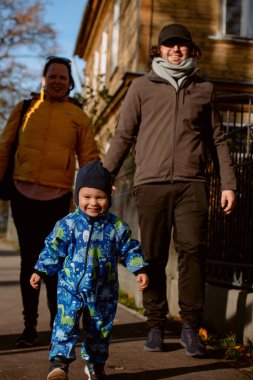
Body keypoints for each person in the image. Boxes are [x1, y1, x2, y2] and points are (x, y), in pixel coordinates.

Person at [103, 23, 237, 357]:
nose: (176, 50)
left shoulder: (204, 89)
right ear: (159, 50)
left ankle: (191, 326)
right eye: (169, 45)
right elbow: (123, 135)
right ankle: (155, 325)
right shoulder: (140, 87)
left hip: (192, 185)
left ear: (191, 50)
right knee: (152, 256)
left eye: (182, 46)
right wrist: (102, 178)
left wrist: (229, 183)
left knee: (192, 252)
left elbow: (218, 138)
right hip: (151, 185)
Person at [0, 56, 99, 348]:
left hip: (57, 199)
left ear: (70, 83)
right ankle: (29, 327)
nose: (57, 81)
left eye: (62, 77)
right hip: (23, 195)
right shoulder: (25, 108)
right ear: (43, 80)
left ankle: (60, 326)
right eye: (52, 76)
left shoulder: (78, 116)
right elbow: (5, 146)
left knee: (56, 265)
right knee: (29, 261)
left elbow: (89, 157)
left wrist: (95, 194)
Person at [30, 160, 149, 380]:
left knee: (100, 330)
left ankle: (95, 365)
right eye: (87, 197)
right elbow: (53, 248)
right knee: (65, 324)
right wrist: (41, 270)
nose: (93, 203)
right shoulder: (67, 225)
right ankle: (59, 364)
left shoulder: (116, 227)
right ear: (77, 196)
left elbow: (129, 249)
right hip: (70, 289)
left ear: (109, 198)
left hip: (103, 292)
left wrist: (139, 268)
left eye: (100, 197)